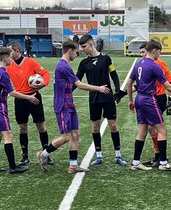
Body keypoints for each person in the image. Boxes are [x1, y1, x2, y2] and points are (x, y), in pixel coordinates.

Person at [37, 41, 111, 173]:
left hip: (69, 104)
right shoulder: (63, 66)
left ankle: (73, 165)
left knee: (75, 134)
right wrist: (99, 88)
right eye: (76, 52)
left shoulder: (65, 66)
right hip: (62, 105)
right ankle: (43, 154)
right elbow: (80, 85)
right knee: (67, 136)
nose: (77, 55)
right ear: (70, 50)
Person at [125, 38, 171, 171]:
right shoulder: (154, 65)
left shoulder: (138, 64)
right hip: (149, 100)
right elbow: (168, 86)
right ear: (155, 51)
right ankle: (163, 163)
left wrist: (130, 100)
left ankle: (136, 162)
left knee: (142, 131)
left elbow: (129, 83)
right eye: (159, 52)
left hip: (139, 99)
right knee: (162, 130)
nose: (159, 55)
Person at [77, 33, 126, 166]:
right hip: (93, 99)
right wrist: (67, 92)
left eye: (84, 47)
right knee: (95, 126)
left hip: (107, 98)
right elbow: (77, 81)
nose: (82, 49)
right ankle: (99, 156)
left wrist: (117, 91)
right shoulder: (83, 63)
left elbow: (114, 75)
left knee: (113, 125)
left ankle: (118, 155)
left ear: (91, 44)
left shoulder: (106, 58)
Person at [0, 46, 34, 174]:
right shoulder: (3, 73)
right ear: (5, 58)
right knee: (8, 135)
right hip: (0, 107)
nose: (12, 60)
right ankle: (13, 166)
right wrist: (29, 97)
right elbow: (12, 92)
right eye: (10, 57)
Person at [7, 40, 53, 165]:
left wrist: (43, 83)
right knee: (22, 128)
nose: (8, 54)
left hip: (34, 97)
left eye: (9, 51)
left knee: (41, 126)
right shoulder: (8, 65)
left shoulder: (30, 62)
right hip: (20, 99)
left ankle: (46, 155)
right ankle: (25, 157)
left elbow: (45, 73)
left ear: (17, 51)